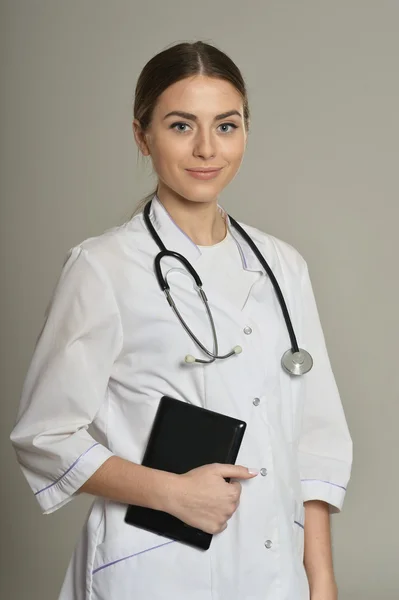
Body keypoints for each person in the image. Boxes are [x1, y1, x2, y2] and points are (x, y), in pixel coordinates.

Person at [10, 40, 352, 600]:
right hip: (155, 567)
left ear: (245, 132)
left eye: (225, 126)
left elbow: (314, 437)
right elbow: (45, 435)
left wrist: (321, 579)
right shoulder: (103, 267)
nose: (205, 149)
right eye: (179, 125)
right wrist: (171, 492)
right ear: (142, 136)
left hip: (274, 570)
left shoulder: (283, 266)